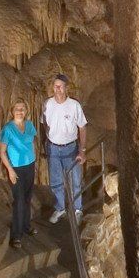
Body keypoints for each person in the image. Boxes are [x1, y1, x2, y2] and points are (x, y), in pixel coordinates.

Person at [42, 74, 87, 225]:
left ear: (66, 87)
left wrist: (82, 150)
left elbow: (82, 127)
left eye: (61, 86)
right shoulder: (47, 104)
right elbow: (44, 124)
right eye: (56, 86)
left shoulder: (74, 105)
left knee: (74, 181)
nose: (58, 89)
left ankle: (77, 209)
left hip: (71, 148)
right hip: (53, 149)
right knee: (56, 181)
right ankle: (60, 208)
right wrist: (47, 142)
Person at [0, 100, 38, 247]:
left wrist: (35, 162)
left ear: (26, 111)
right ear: (12, 111)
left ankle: (27, 226)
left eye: (22, 108)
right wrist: (10, 170)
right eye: (17, 109)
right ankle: (16, 235)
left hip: (30, 166)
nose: (20, 111)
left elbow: (33, 142)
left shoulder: (29, 125)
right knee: (19, 201)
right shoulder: (8, 129)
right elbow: (1, 152)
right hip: (16, 169)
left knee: (27, 199)